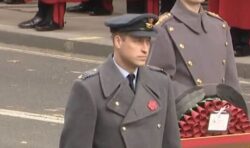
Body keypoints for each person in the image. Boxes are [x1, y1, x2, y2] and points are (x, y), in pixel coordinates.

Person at [59, 13, 181, 148]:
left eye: (147, 41)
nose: (145, 49)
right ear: (118, 41)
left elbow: (170, 142)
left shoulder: (161, 83)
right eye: (137, 41)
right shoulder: (89, 89)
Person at [147, 0, 241, 95]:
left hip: (222, 108)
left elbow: (232, 84)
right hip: (184, 107)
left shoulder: (220, 26)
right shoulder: (164, 29)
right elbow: (158, 86)